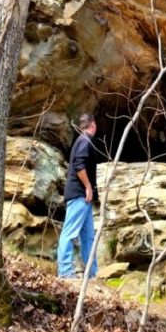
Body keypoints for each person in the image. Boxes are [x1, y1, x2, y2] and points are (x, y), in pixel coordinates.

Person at [57, 112, 99, 279]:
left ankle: (91, 274)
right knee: (69, 232)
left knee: (88, 237)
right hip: (79, 195)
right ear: (93, 125)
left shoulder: (80, 141)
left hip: (84, 198)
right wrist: (88, 186)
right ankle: (65, 272)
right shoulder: (85, 141)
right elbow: (79, 164)